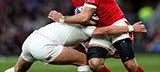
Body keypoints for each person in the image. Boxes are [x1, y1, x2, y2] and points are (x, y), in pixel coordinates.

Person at [48, 0, 145, 72]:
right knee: (94, 64)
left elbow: (84, 18)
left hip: (117, 24)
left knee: (130, 65)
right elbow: (86, 20)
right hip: (100, 30)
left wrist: (62, 18)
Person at [4, 21, 147, 72]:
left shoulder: (71, 24)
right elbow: (107, 30)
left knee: (17, 69)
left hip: (30, 40)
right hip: (44, 45)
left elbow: (81, 49)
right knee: (84, 61)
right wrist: (131, 29)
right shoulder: (86, 28)